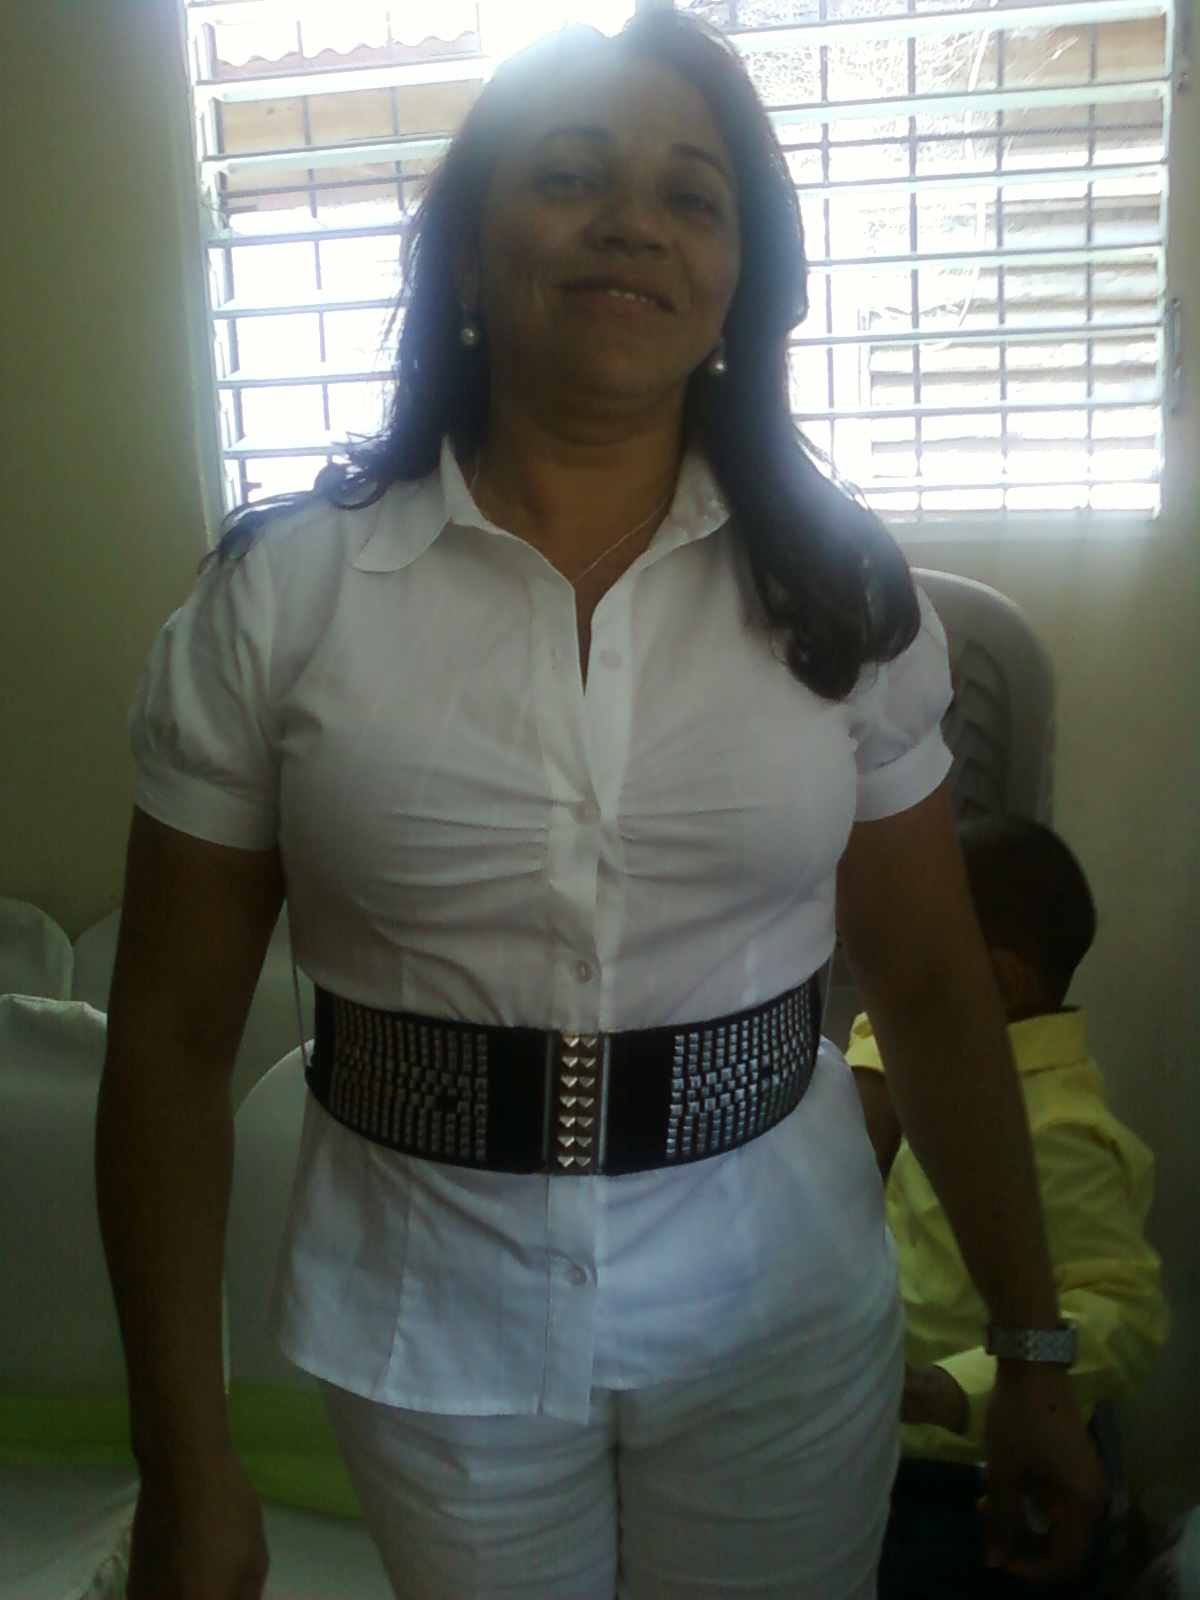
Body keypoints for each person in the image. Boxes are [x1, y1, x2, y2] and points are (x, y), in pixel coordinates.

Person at [95, 13, 1106, 1600]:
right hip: (433, 1327)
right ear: (471, 254)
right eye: (571, 176)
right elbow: (166, 1040)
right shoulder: (281, 598)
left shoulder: (842, 593)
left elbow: (926, 983)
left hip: (781, 1321)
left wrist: (1033, 1348)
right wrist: (184, 1463)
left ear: (735, 284)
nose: (633, 219)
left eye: (692, 195)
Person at [848, 814, 1169, 1598]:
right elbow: (888, 1027)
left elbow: (1122, 1314)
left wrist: (950, 1388)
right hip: (881, 1453)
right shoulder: (914, 1062)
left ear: (996, 985)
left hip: (967, 1480)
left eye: (913, 958)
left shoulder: (1061, 1136)